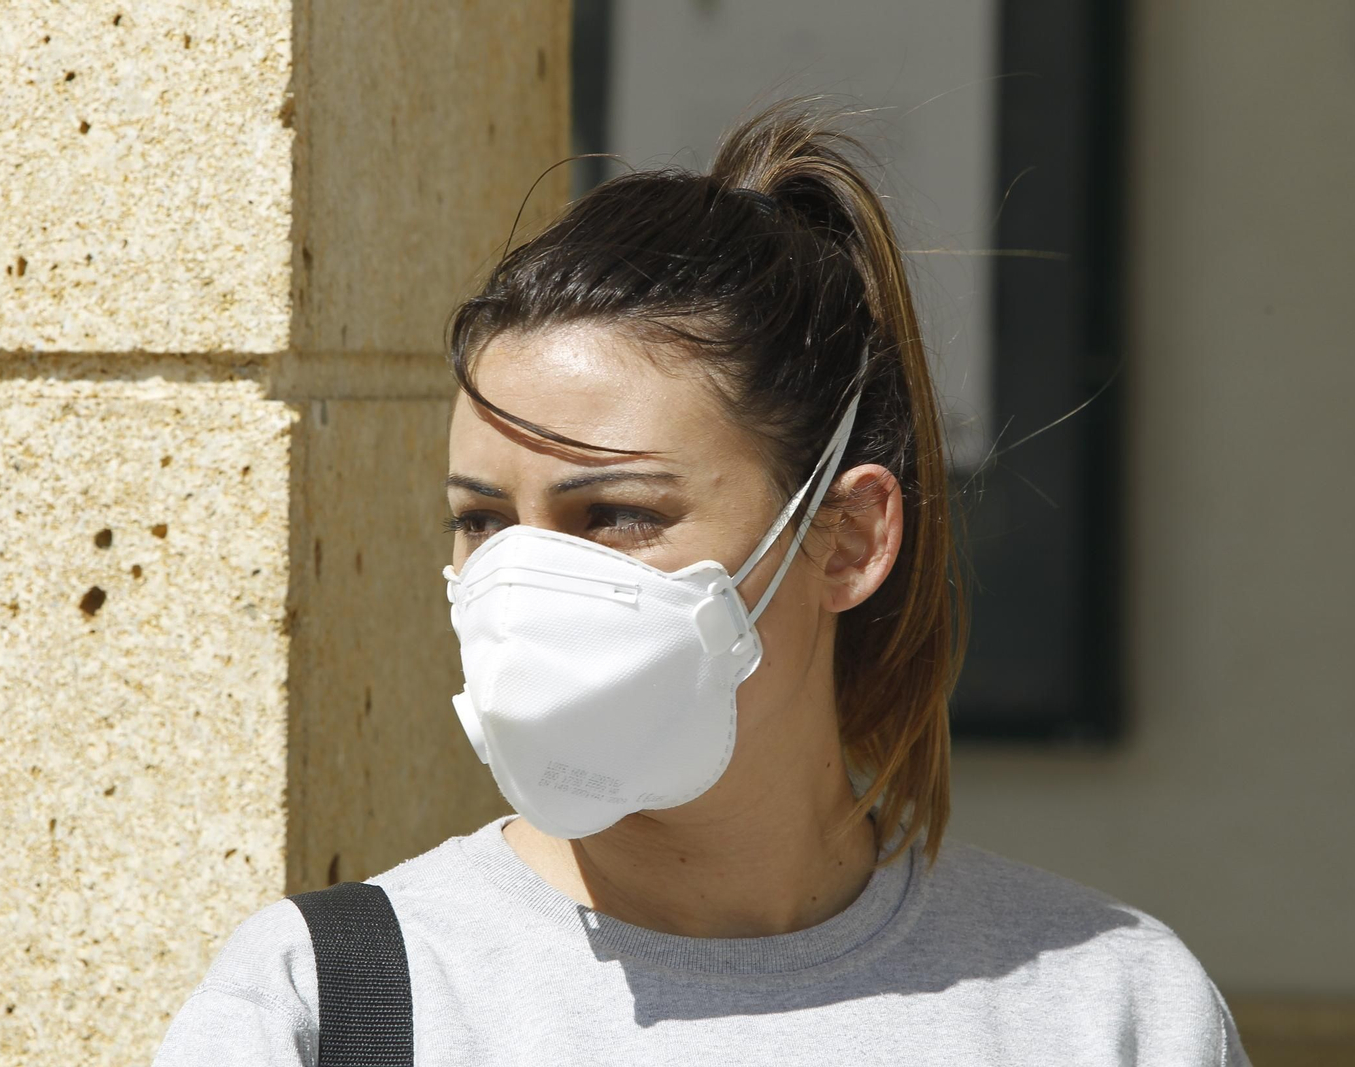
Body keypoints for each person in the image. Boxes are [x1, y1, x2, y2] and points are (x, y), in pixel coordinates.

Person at [153, 102, 1249, 1066]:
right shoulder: (324, 1004)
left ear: (849, 537)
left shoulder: (1106, 1011)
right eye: (481, 519)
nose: (523, 579)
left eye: (618, 515)